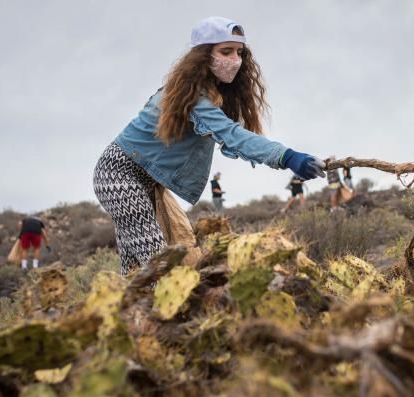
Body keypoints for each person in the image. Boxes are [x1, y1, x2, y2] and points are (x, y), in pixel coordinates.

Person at [92, 17, 325, 275]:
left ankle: (131, 313)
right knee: (157, 262)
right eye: (225, 52)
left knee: (135, 265)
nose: (235, 60)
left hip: (146, 180)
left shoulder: (207, 94)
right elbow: (233, 135)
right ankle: (163, 313)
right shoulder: (192, 98)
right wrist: (286, 156)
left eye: (239, 52)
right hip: (118, 175)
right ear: (203, 56)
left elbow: (232, 134)